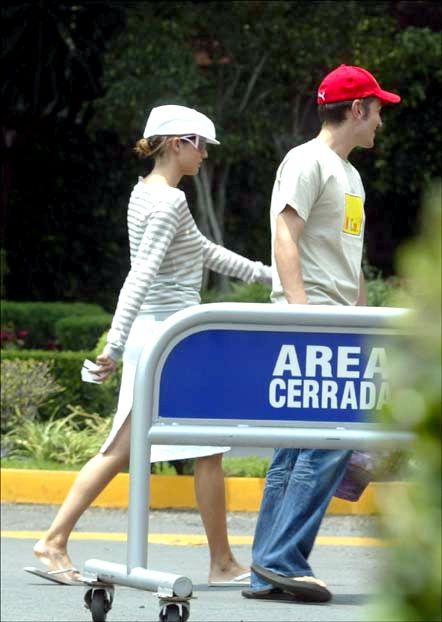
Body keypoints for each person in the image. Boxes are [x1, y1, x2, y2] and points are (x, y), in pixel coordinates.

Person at [31, 104, 271, 588]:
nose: (206, 154)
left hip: (165, 336)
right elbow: (140, 275)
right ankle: (52, 541)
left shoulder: (146, 194)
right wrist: (114, 346)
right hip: (168, 340)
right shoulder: (167, 202)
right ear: (177, 143)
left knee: (205, 448)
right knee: (125, 448)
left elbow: (200, 250)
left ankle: (222, 561)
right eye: (201, 144)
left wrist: (265, 274)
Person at [242, 65, 401, 603]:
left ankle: (269, 570)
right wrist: (301, 313)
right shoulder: (305, 161)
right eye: (378, 108)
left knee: (299, 448)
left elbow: (347, 258)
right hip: (312, 322)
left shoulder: (350, 175)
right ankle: (282, 558)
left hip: (340, 323)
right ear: (356, 110)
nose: (381, 117)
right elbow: (286, 234)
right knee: (327, 443)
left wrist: (362, 320)